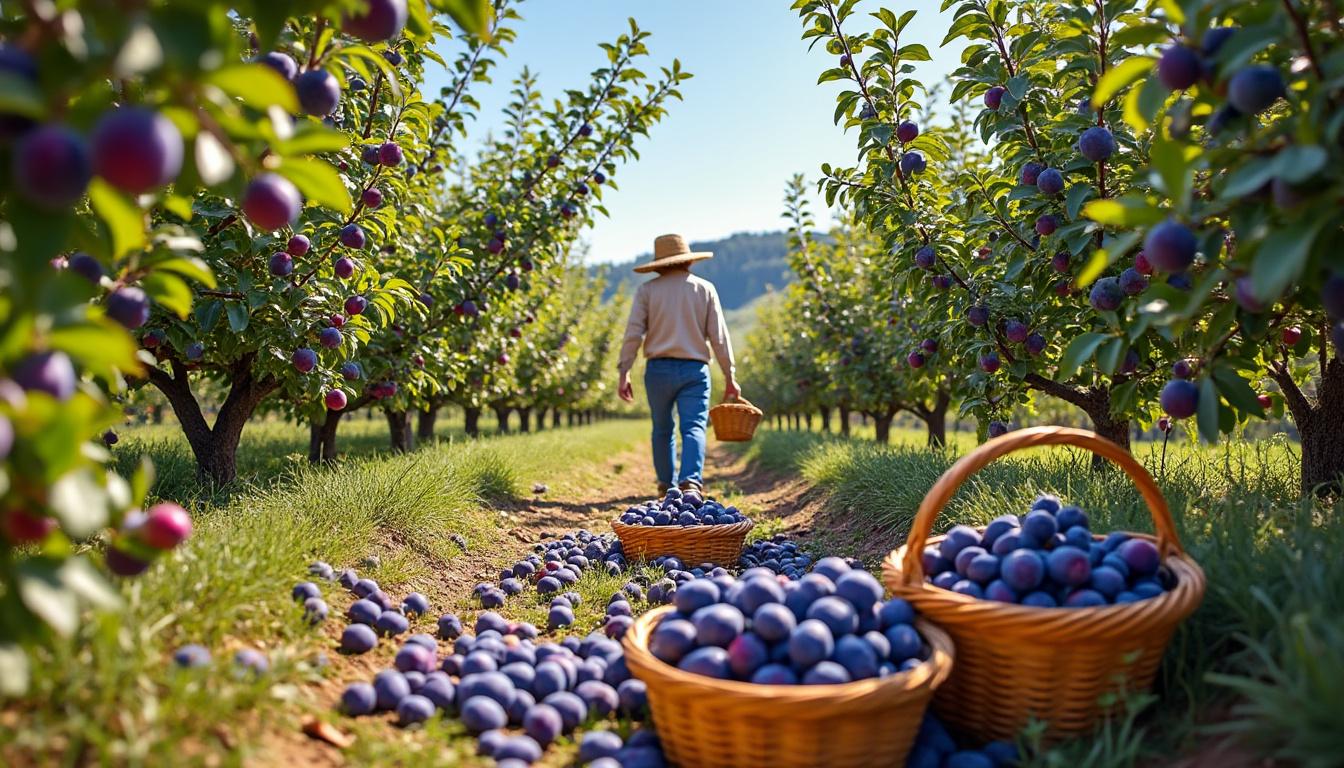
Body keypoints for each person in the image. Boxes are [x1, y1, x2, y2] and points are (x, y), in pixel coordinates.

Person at [618, 233, 739, 494]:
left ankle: (665, 484)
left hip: (658, 370)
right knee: (693, 426)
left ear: (659, 263)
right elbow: (719, 337)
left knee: (662, 427)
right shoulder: (704, 289)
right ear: (688, 261)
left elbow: (633, 333)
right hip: (695, 370)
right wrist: (730, 376)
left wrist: (624, 370)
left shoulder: (647, 291)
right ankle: (690, 483)